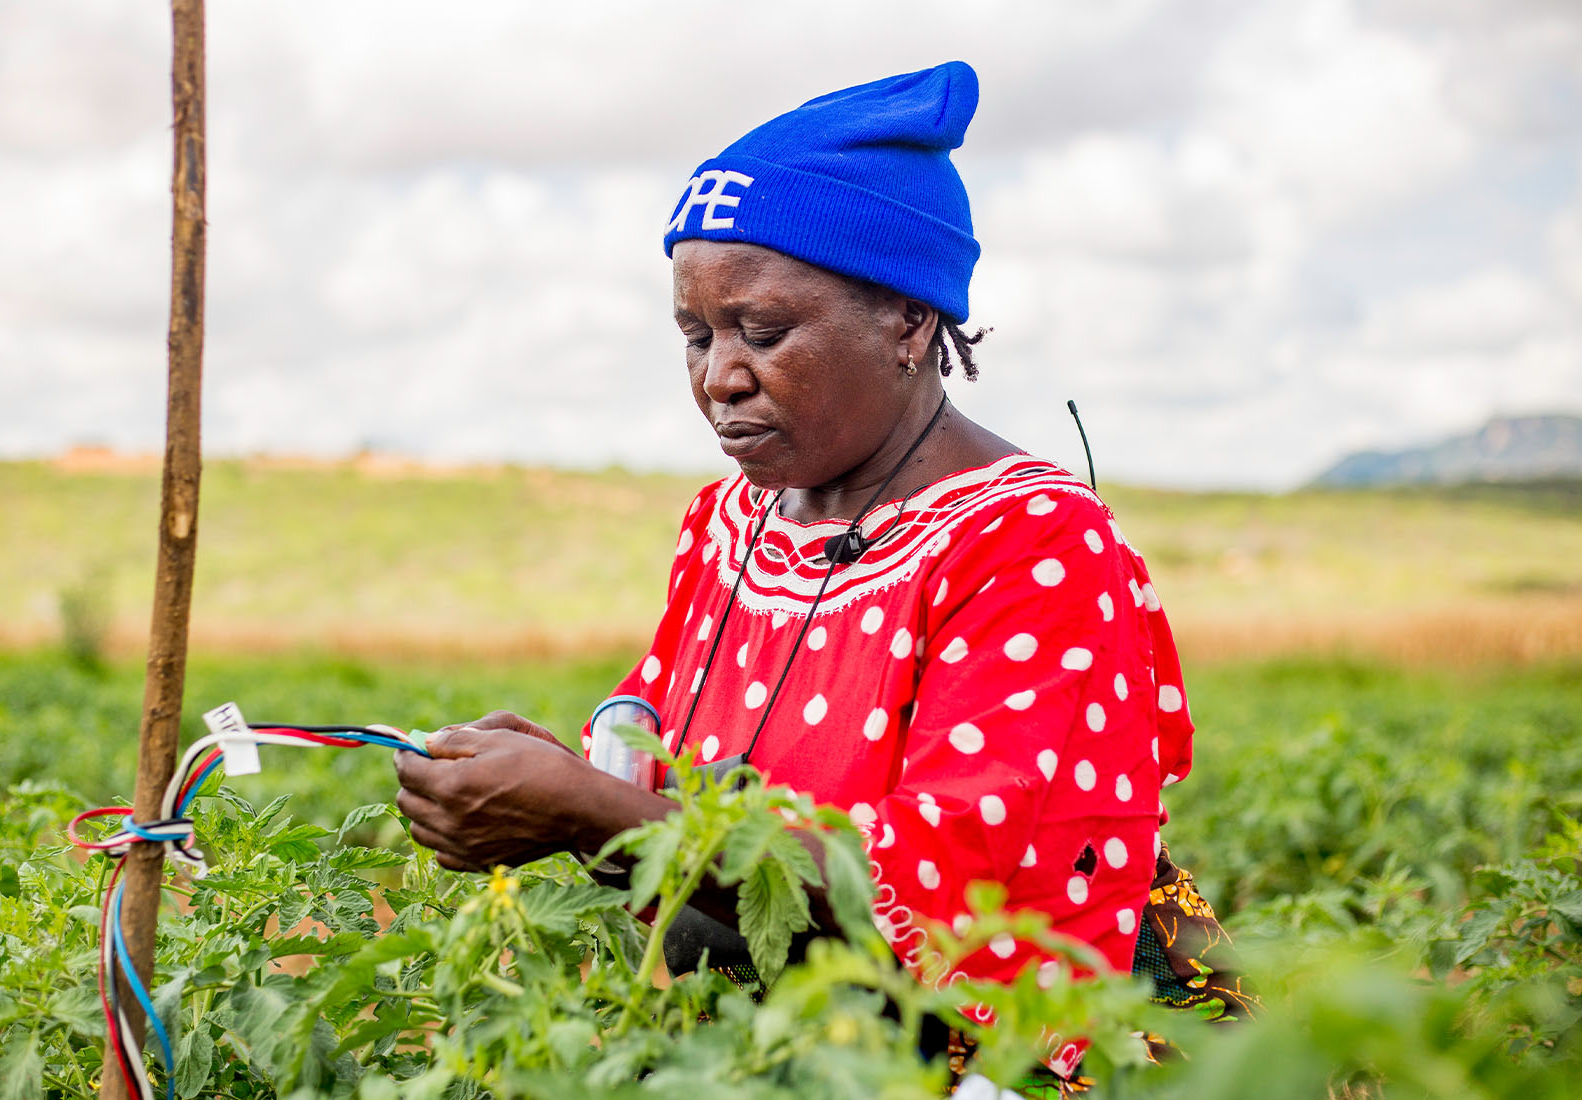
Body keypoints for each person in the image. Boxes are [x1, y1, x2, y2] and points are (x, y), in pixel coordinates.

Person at [394, 61, 1245, 1090]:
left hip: (1006, 1052)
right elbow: (668, 747)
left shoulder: (1032, 543)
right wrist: (572, 778)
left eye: (763, 330)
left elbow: (928, 883)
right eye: (696, 335)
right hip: (783, 1036)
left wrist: (584, 810)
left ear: (907, 319)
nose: (720, 374)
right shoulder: (732, 521)